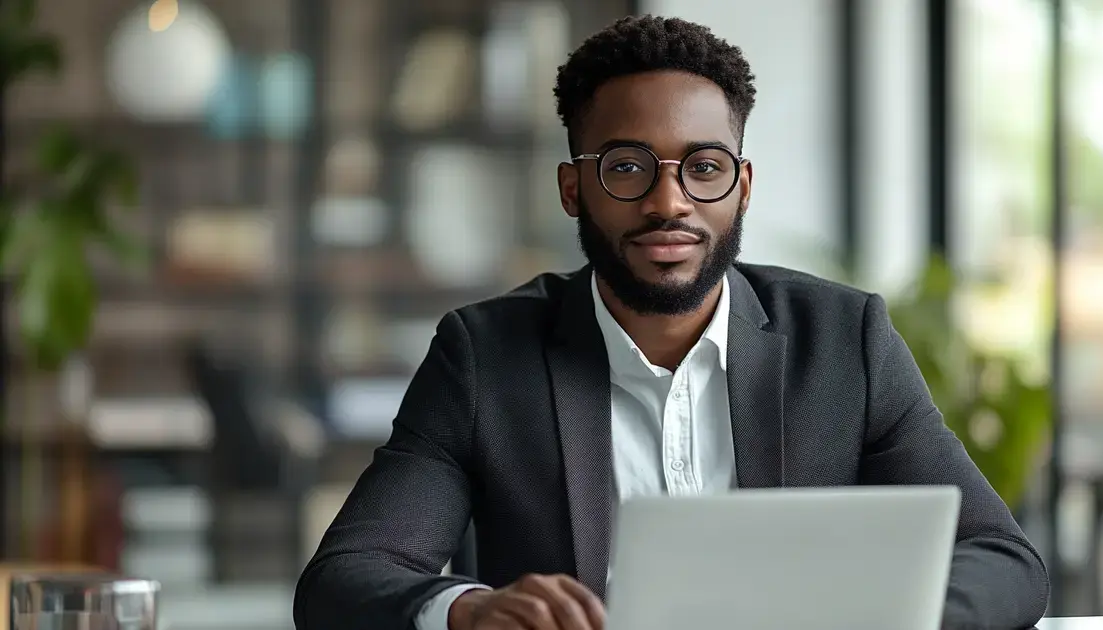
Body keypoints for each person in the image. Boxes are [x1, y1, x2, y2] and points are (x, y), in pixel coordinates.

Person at [294, 14, 1049, 630]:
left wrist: (885, 618)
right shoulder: (486, 356)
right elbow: (345, 581)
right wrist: (467, 608)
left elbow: (1003, 561)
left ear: (742, 185)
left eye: (705, 167)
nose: (669, 203)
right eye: (626, 166)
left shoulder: (843, 341)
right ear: (572, 189)